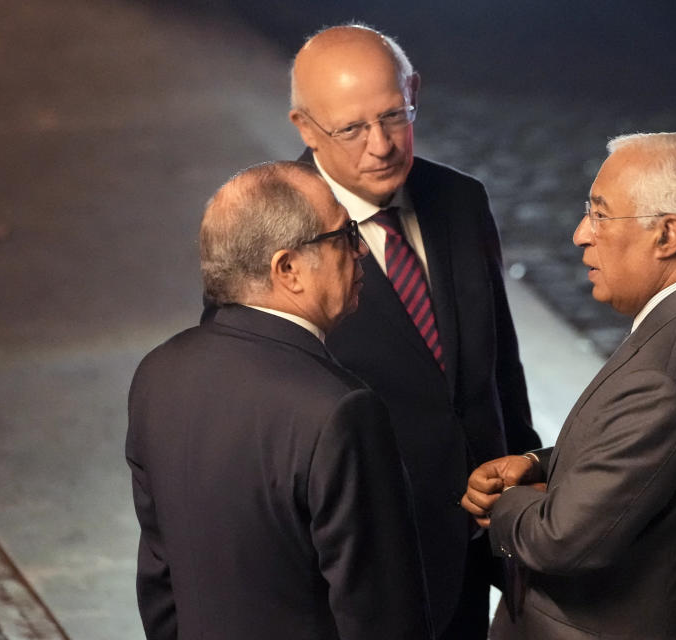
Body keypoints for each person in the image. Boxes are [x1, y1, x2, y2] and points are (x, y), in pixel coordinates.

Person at [462, 133, 676, 639]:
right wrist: (539, 464)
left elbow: (560, 539)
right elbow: (673, 449)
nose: (580, 234)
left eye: (600, 215)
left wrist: (504, 504)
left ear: (667, 236)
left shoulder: (662, 374)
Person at [287, 24, 541, 639]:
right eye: (351, 129)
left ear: (414, 91)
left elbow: (500, 369)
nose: (381, 146)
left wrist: (531, 480)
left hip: (480, 540)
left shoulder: (460, 200)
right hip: (360, 567)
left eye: (394, 116)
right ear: (304, 127)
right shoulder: (272, 230)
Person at [126, 161, 431, 640]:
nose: (360, 252)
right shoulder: (340, 410)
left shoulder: (158, 373)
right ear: (288, 269)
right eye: (345, 235)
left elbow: (161, 580)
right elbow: (382, 618)